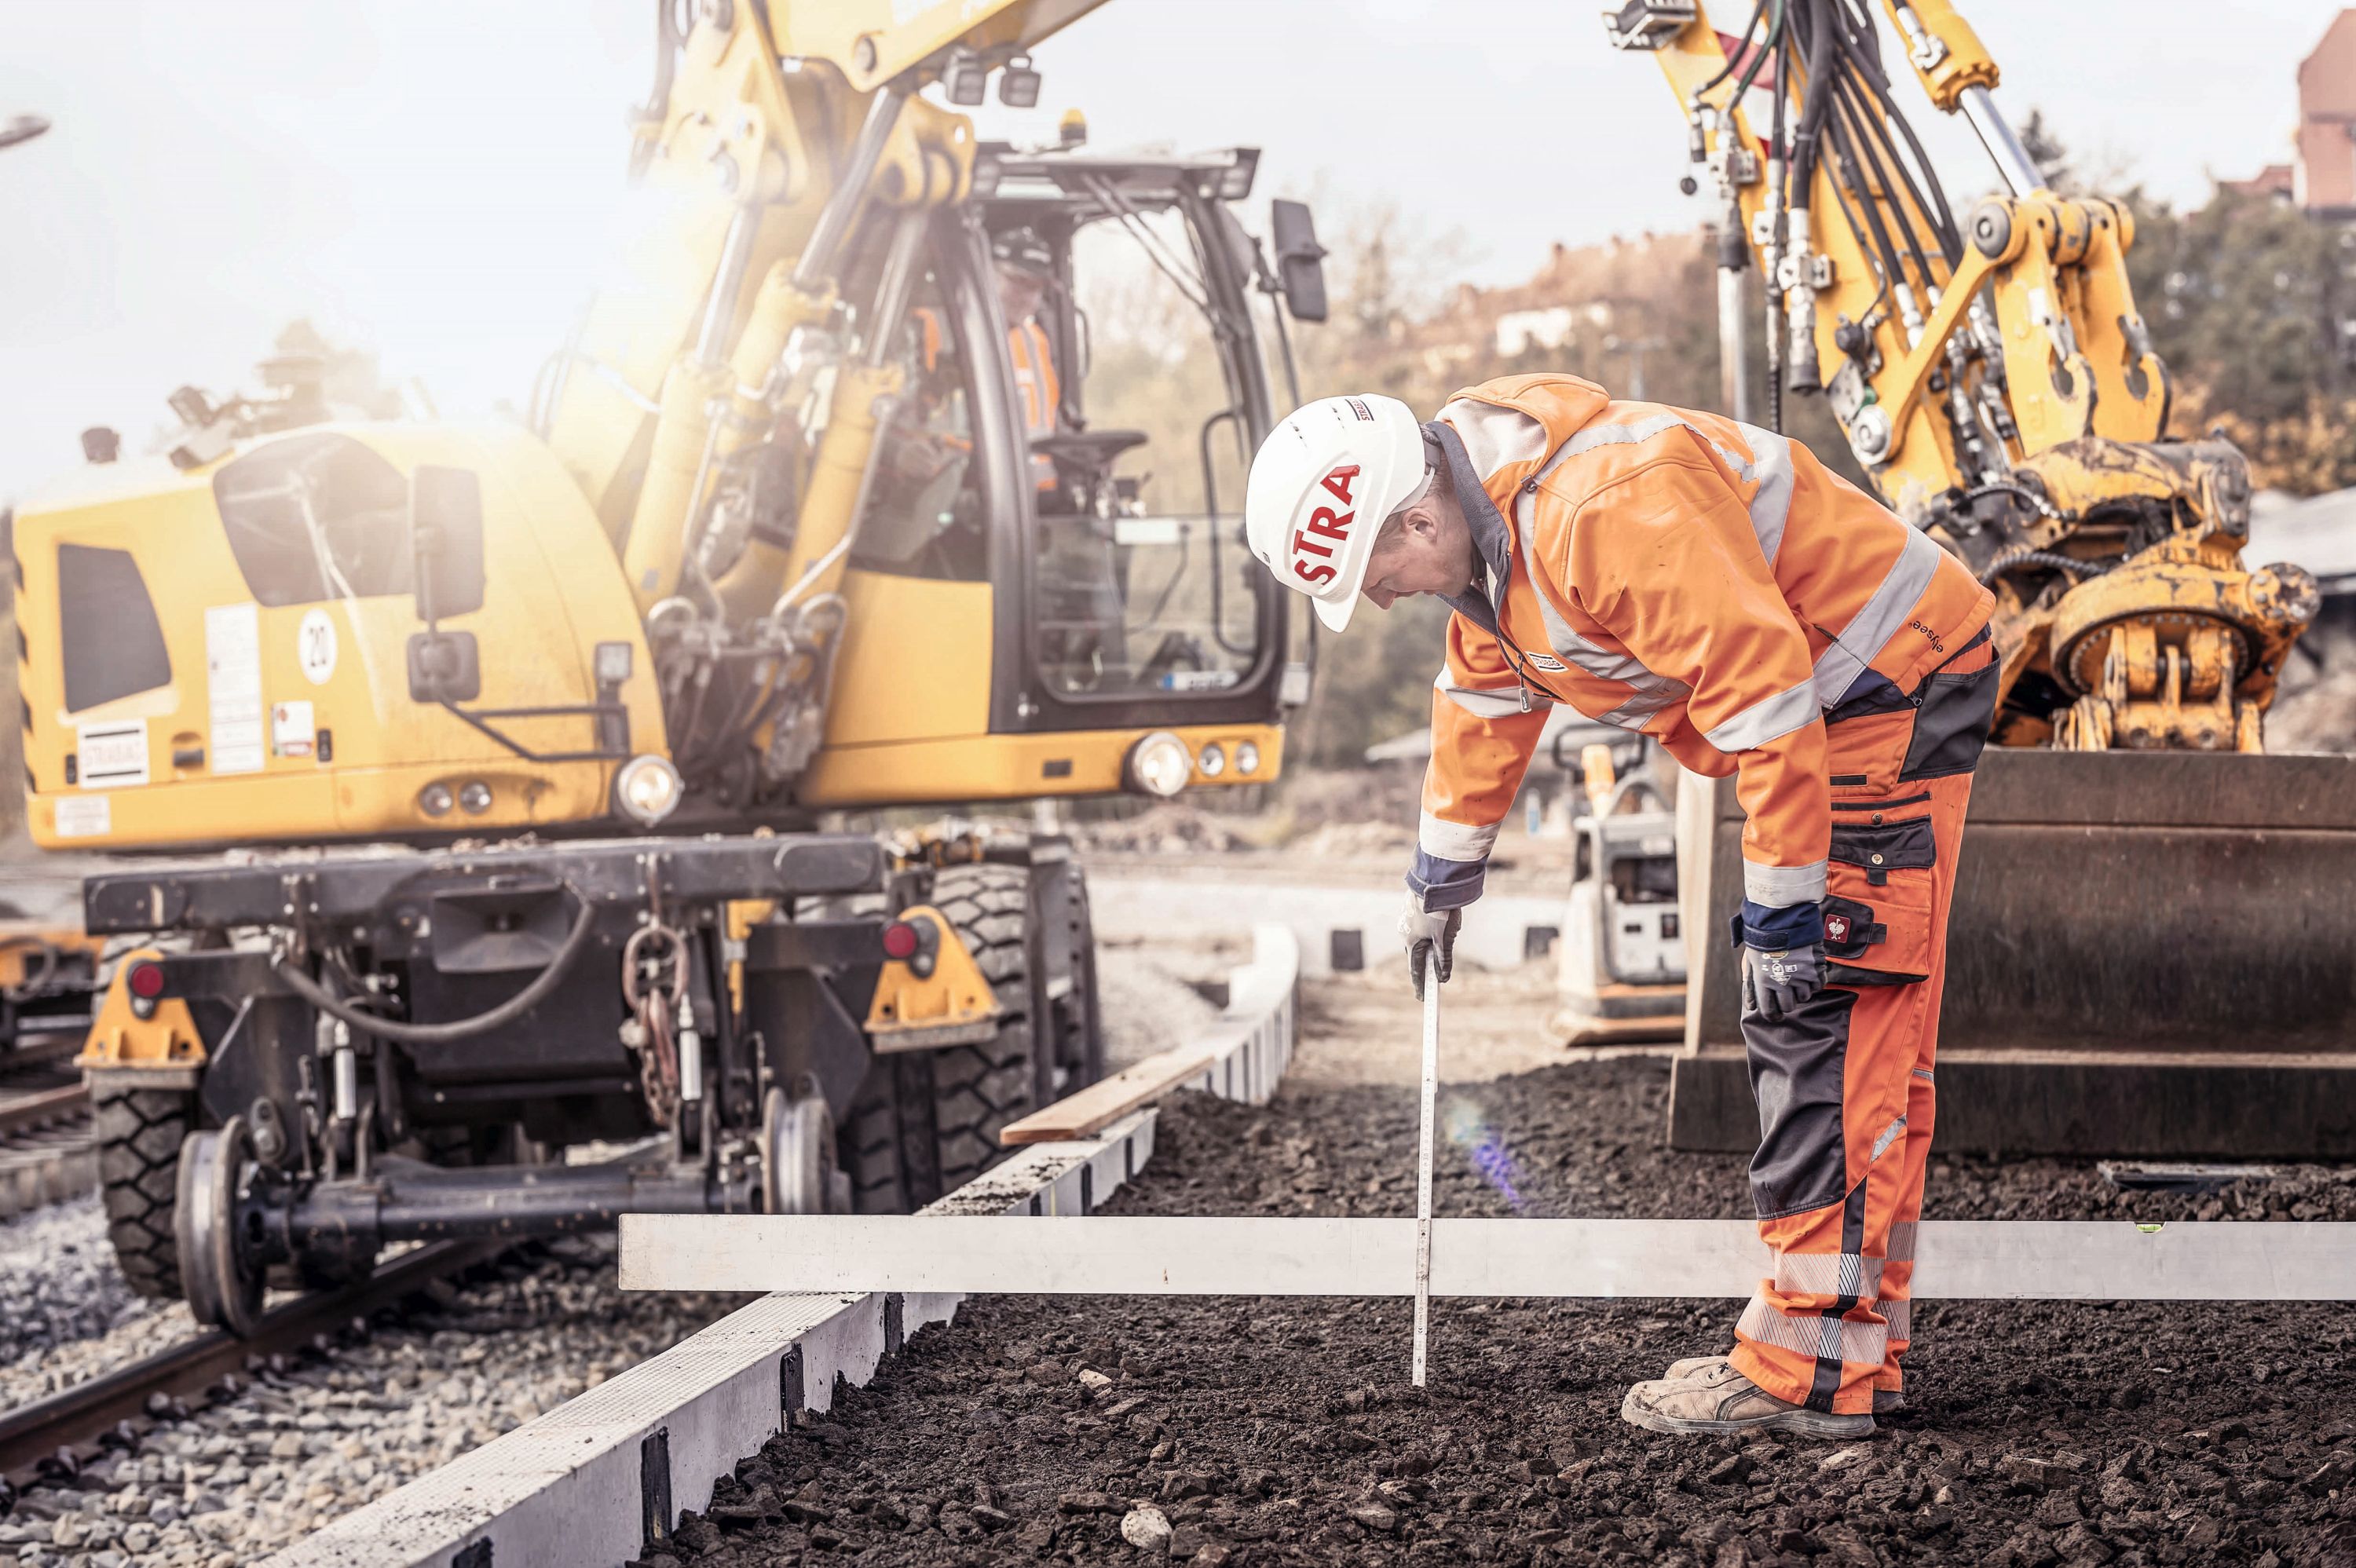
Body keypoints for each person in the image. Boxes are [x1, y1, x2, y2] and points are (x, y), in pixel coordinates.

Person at [1241, 378, 1997, 1438]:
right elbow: (1484, 697)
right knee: (1860, 1032)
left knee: (1824, 1014)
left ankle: (1804, 1370)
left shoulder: (1609, 507)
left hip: (1880, 684)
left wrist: (1782, 917)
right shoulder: (1493, 546)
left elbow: (1768, 702)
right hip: (1825, 693)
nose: (1379, 600)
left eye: (1378, 571)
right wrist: (1442, 877)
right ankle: (1856, 1352)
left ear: (1418, 516)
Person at [993, 226, 1063, 495]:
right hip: (971, 502)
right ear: (988, 273)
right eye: (1017, 281)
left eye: (1036, 287)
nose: (1027, 297)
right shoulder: (941, 333)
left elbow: (1048, 420)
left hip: (1038, 504)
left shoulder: (1036, 342)